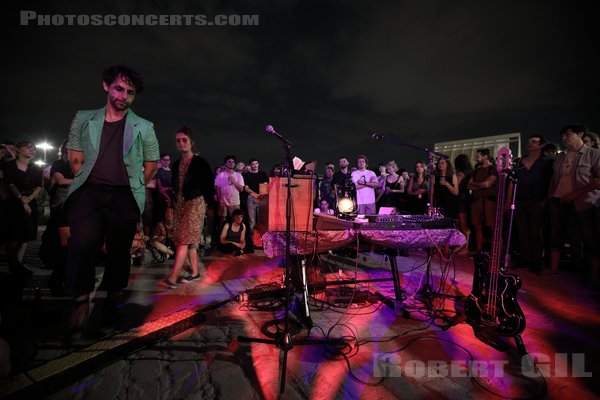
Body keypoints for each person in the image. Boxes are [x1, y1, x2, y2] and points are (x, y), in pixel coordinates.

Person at [65, 65, 159, 335]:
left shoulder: (144, 126)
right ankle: (81, 303)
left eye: (130, 92)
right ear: (106, 86)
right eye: (119, 88)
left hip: (124, 196)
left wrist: (135, 185)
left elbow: (151, 163)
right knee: (82, 245)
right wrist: (89, 182)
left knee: (119, 254)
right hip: (90, 193)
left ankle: (110, 305)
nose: (124, 96)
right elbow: (75, 157)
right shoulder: (83, 118)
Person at [160, 127, 214, 289]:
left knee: (183, 239)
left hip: (195, 203)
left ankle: (172, 278)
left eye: (184, 140)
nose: (181, 143)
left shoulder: (200, 163)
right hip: (180, 204)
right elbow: (175, 186)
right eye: (178, 141)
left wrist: (207, 205)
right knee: (189, 241)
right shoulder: (176, 164)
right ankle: (196, 273)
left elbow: (208, 185)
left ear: (191, 142)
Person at [547, 124, 600, 284]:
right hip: (560, 200)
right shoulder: (561, 156)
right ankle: (553, 269)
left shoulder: (594, 154)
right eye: (562, 136)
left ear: (580, 134)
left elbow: (598, 181)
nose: (564, 138)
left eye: (567, 135)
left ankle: (594, 275)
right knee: (557, 234)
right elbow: (554, 179)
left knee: (589, 237)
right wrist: (551, 197)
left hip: (584, 202)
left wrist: (574, 194)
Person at [1, 141, 43, 278]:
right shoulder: (9, 166)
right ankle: (14, 264)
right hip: (13, 203)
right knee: (13, 236)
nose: (32, 150)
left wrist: (28, 200)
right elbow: (10, 183)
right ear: (18, 150)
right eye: (28, 147)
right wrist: (21, 199)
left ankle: (18, 264)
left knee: (26, 236)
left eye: (34, 148)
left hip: (30, 202)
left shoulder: (36, 168)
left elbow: (38, 186)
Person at [468, 149, 497, 252]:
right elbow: (468, 185)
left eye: (478, 156)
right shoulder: (476, 170)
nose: (476, 158)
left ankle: (495, 251)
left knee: (492, 227)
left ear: (485, 157)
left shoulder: (493, 169)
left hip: (489, 202)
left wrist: (476, 184)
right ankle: (479, 251)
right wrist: (482, 186)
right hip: (476, 201)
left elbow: (488, 184)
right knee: (477, 226)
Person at [242, 158, 269, 253]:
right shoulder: (247, 175)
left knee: (262, 221)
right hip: (251, 198)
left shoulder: (263, 174)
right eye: (253, 164)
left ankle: (262, 242)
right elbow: (246, 188)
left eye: (256, 163)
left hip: (262, 198)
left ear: (258, 164)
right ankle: (252, 243)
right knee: (251, 221)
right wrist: (255, 195)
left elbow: (265, 186)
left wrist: (260, 196)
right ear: (250, 165)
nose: (255, 165)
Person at [214, 155, 245, 231]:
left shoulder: (238, 175)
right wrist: (219, 200)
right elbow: (217, 188)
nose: (231, 163)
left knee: (235, 220)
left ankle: (234, 237)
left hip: (235, 202)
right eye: (229, 162)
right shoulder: (220, 175)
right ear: (225, 163)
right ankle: (221, 237)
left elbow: (241, 189)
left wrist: (234, 181)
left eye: (233, 162)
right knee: (222, 220)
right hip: (223, 202)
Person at [454, 154, 474, 254]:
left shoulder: (460, 173)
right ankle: (463, 245)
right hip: (467, 198)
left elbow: (456, 186)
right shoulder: (470, 173)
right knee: (464, 224)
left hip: (461, 199)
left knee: (463, 225)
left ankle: (465, 247)